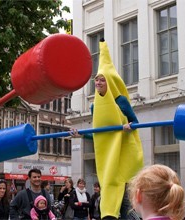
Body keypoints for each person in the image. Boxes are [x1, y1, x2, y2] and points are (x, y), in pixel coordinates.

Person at [70, 39, 143, 219]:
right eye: (96, 80)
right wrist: (81, 135)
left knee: (126, 204)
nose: (98, 82)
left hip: (124, 155)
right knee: (109, 199)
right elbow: (98, 135)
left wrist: (128, 127)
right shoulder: (95, 107)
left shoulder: (121, 101)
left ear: (109, 82)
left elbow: (136, 123)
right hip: (109, 158)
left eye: (102, 79)